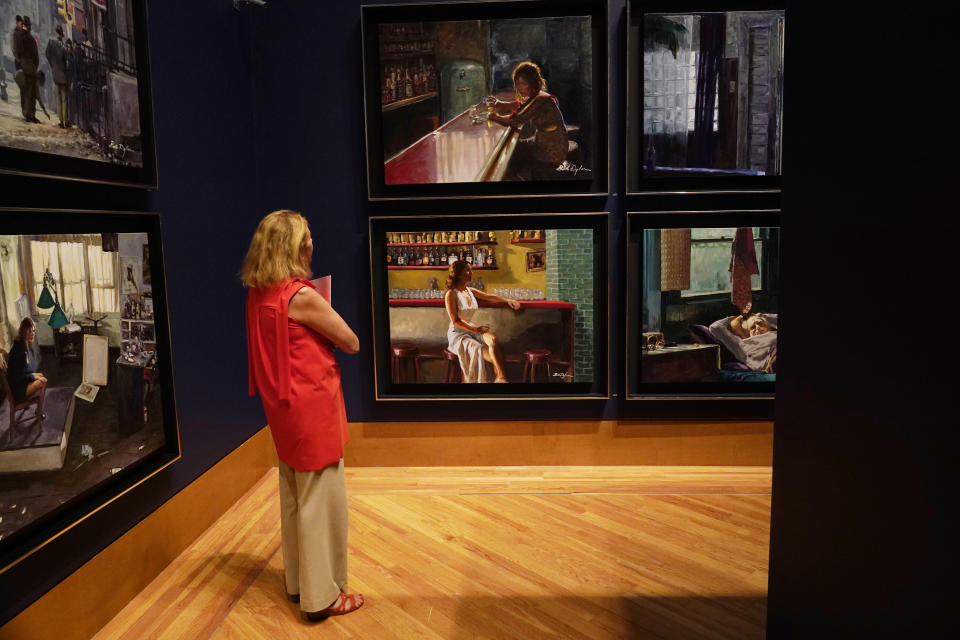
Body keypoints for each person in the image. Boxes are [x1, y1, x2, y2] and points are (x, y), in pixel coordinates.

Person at [242, 210, 364, 622]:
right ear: (293, 247)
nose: (312, 244)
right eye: (306, 237)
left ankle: (299, 584)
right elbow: (351, 342)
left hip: (283, 408)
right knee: (321, 500)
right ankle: (323, 596)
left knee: (295, 494)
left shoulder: (259, 292)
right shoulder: (301, 295)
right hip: (313, 406)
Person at [484, 61, 569, 181]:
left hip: (552, 148)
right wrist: (500, 104)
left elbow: (516, 120)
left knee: (514, 152)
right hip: (548, 140)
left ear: (532, 82)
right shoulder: (537, 96)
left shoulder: (540, 100)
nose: (519, 87)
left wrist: (493, 116)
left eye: (523, 83)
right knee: (516, 148)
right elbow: (522, 106)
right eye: (517, 83)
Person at [444, 260, 520, 383]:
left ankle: (500, 376)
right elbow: (456, 321)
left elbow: (489, 296)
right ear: (457, 274)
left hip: (472, 328)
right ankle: (500, 378)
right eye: (467, 271)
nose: (470, 273)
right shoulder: (451, 294)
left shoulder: (470, 291)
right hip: (458, 334)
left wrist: (507, 300)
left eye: (471, 270)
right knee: (480, 349)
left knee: (493, 339)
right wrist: (476, 329)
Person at [5, 317, 47, 420]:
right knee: (44, 381)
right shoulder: (21, 351)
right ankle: (39, 411)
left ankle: (38, 408)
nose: (33, 333)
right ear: (24, 331)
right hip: (18, 389)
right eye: (30, 331)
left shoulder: (19, 344)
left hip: (16, 382)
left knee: (40, 375)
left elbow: (22, 371)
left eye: (33, 331)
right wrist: (35, 378)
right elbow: (21, 376)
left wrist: (35, 376)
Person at [15, 16, 40, 123]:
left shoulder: (19, 38)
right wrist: (35, 67)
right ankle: (31, 114)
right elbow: (36, 56)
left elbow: (17, 54)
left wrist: (18, 67)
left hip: (22, 68)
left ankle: (25, 113)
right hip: (30, 69)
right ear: (28, 26)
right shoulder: (31, 39)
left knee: (23, 92)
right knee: (31, 93)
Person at [46, 25, 68, 128]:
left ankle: (60, 120)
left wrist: (52, 65)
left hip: (55, 74)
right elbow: (67, 62)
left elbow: (47, 55)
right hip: (63, 75)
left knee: (58, 99)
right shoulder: (63, 47)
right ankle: (65, 120)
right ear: (62, 34)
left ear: (56, 32)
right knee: (64, 99)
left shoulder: (51, 42)